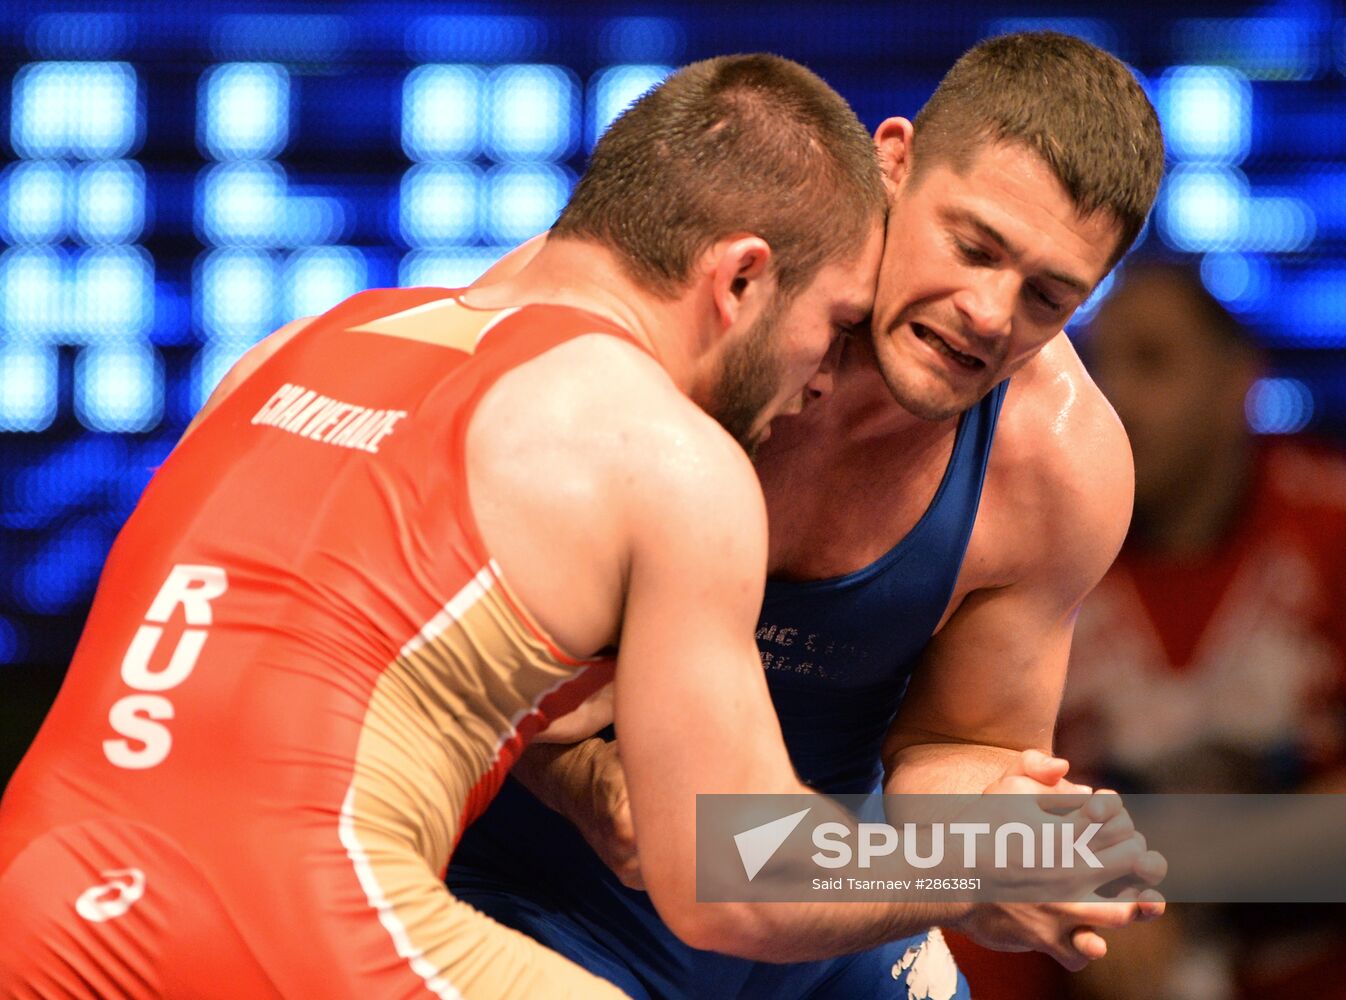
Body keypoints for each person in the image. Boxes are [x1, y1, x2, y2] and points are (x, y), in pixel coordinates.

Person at [0, 54, 928, 999]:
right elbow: (732, 874)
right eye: (835, 323)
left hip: (38, 890)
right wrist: (1029, 852)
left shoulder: (295, 345)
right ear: (741, 279)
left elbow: (313, 652)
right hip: (286, 909)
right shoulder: (663, 452)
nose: (821, 378)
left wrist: (584, 772)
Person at [446, 30, 1168, 1000]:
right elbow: (429, 624)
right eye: (972, 246)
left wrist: (1005, 838)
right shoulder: (678, 297)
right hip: (537, 888)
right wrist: (575, 781)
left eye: (1047, 295)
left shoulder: (1058, 466)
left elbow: (955, 747)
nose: (992, 315)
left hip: (821, 900)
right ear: (893, 161)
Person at [1054, 260, 1346, 1000]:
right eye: (1096, 364)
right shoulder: (1039, 556)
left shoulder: (1332, 529)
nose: (1113, 394)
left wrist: (1135, 877)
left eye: (1151, 360)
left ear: (1237, 384)